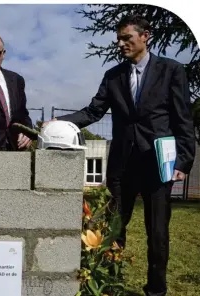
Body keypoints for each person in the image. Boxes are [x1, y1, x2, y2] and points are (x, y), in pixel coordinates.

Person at [44, 15, 195, 296]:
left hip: (158, 165)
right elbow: (93, 112)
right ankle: (110, 285)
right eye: (119, 39)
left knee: (158, 233)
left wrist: (184, 161)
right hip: (122, 166)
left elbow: (182, 118)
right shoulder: (113, 76)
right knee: (113, 229)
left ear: (145, 36)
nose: (122, 44)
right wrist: (59, 123)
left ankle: (156, 290)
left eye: (127, 38)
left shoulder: (171, 70)